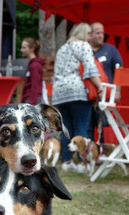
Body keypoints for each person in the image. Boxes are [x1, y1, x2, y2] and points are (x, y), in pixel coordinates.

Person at [52, 22, 102, 173]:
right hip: (78, 91)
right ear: (84, 34)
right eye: (89, 34)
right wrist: (100, 86)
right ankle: (82, 162)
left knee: (66, 127)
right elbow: (90, 69)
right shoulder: (83, 45)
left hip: (60, 93)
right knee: (81, 126)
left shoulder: (62, 48)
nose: (90, 37)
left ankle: (67, 161)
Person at [20, 38, 44, 105]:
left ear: (32, 49)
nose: (21, 50)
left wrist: (33, 103)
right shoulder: (31, 64)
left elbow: (35, 86)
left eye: (24, 48)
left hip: (32, 100)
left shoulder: (35, 65)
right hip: (29, 99)